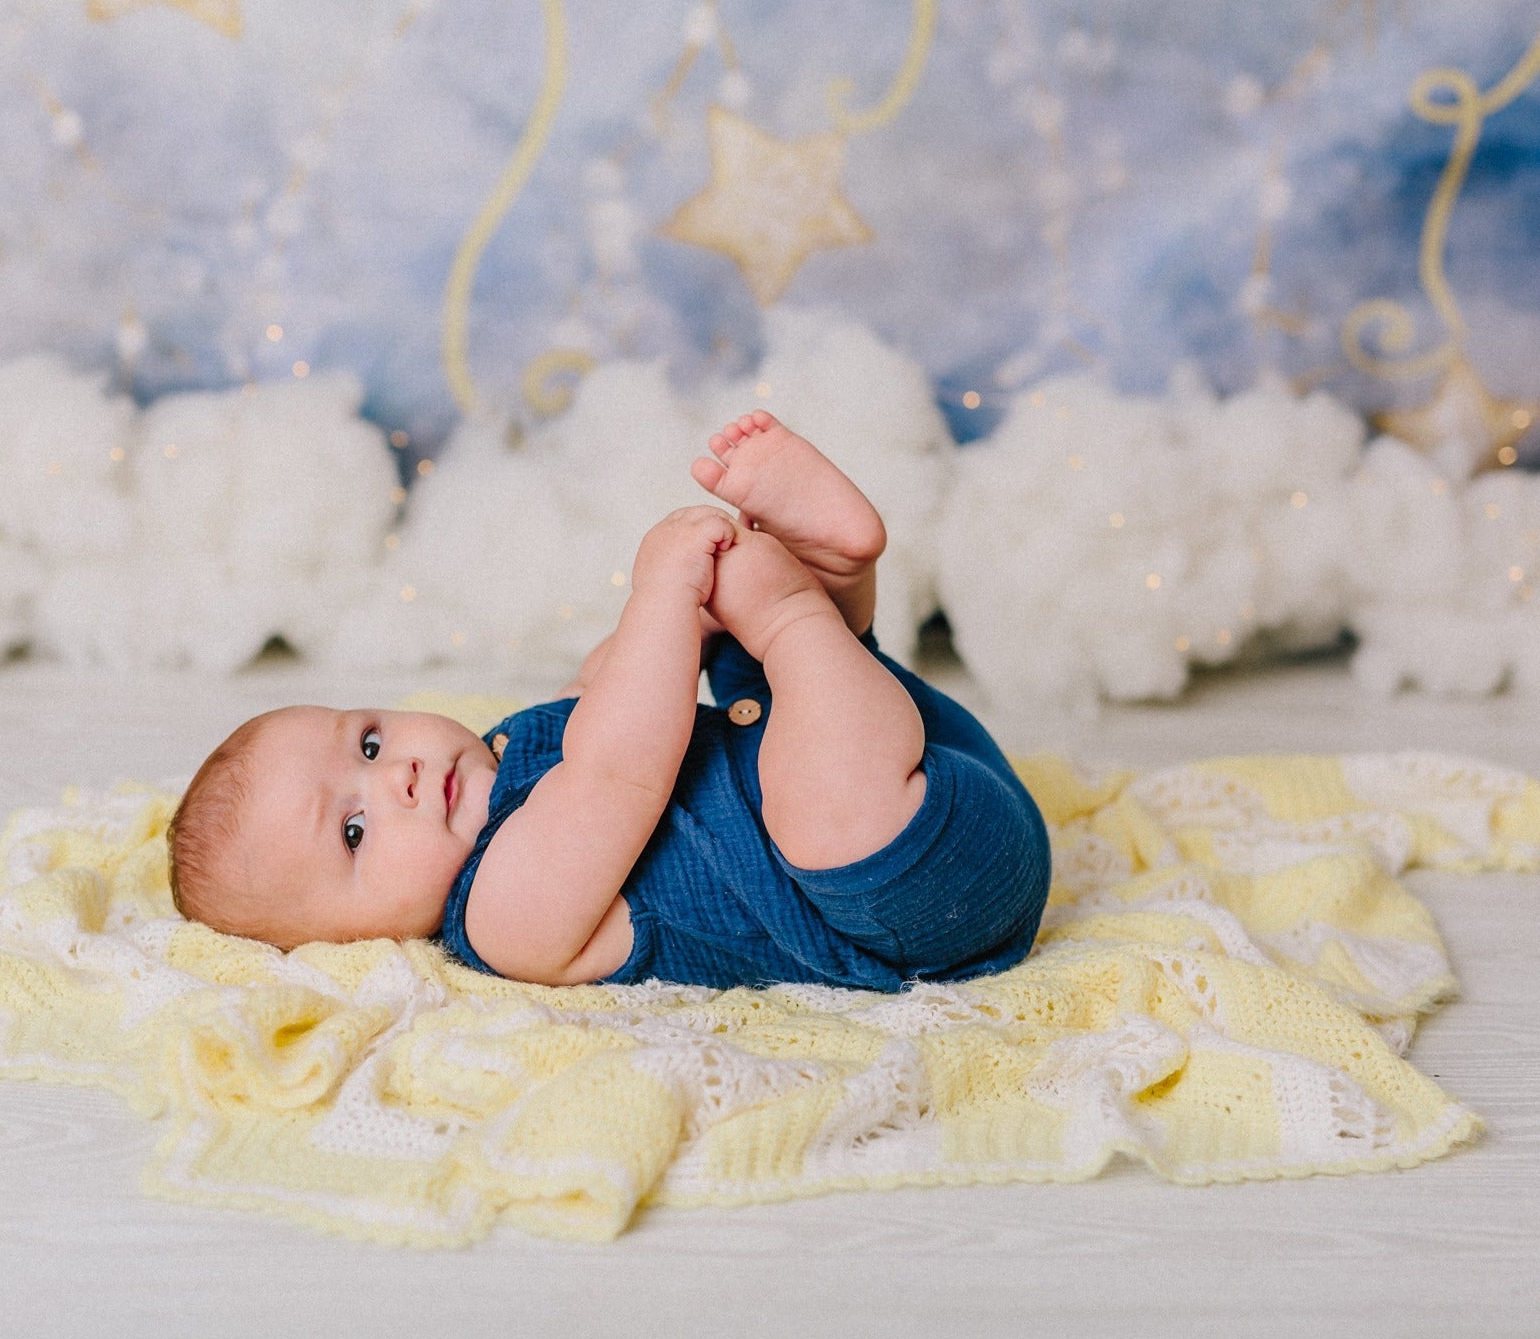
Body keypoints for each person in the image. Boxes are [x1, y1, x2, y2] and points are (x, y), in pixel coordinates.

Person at [167, 411, 1050, 990]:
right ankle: (798, 610)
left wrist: (683, 624)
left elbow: (601, 695)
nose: (396, 775)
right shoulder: (503, 919)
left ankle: (829, 569)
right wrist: (659, 598)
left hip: (923, 761)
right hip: (914, 892)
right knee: (814, 784)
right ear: (356, 947)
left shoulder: (507, 751)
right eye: (354, 833)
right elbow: (616, 769)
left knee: (762, 680)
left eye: (366, 742)